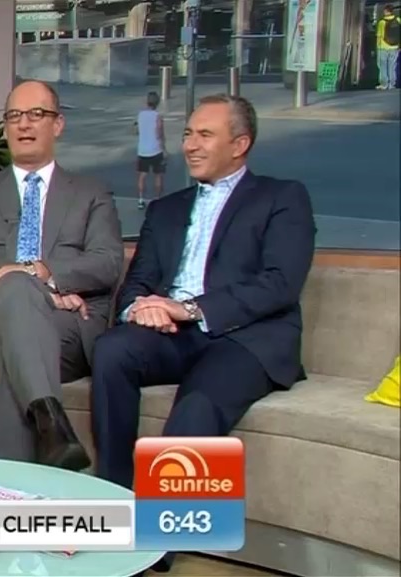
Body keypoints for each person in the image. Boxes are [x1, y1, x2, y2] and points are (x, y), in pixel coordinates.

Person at [89, 94, 316, 572]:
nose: (190, 145)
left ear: (240, 144)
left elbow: (280, 284)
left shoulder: (282, 198)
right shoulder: (166, 209)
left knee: (198, 402)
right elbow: (138, 282)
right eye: (188, 133)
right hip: (171, 332)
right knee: (111, 351)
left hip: (245, 338)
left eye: (205, 135)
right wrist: (140, 309)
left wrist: (190, 308)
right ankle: (115, 498)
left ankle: (157, 546)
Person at [0, 80, 124, 471]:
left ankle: (36, 444)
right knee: (17, 292)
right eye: (14, 116)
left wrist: (42, 274)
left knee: (15, 346)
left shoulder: (91, 193)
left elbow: (107, 261)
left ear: (58, 124)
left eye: (36, 114)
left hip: (66, 328)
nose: (23, 124)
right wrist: (27, 282)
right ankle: (50, 431)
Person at [134, 91, 166, 209]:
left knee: (142, 176)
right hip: (156, 150)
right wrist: (164, 148)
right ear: (157, 103)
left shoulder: (140, 115)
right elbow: (159, 134)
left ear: (147, 102)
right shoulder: (157, 116)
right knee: (158, 175)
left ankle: (140, 199)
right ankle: (157, 199)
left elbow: (136, 131)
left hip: (142, 150)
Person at [376, 5, 400, 90]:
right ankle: (391, 84)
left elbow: (379, 36)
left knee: (382, 66)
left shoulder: (382, 22)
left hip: (383, 47)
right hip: (395, 47)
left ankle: (384, 84)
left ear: (386, 11)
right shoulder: (398, 20)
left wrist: (377, 47)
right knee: (392, 66)